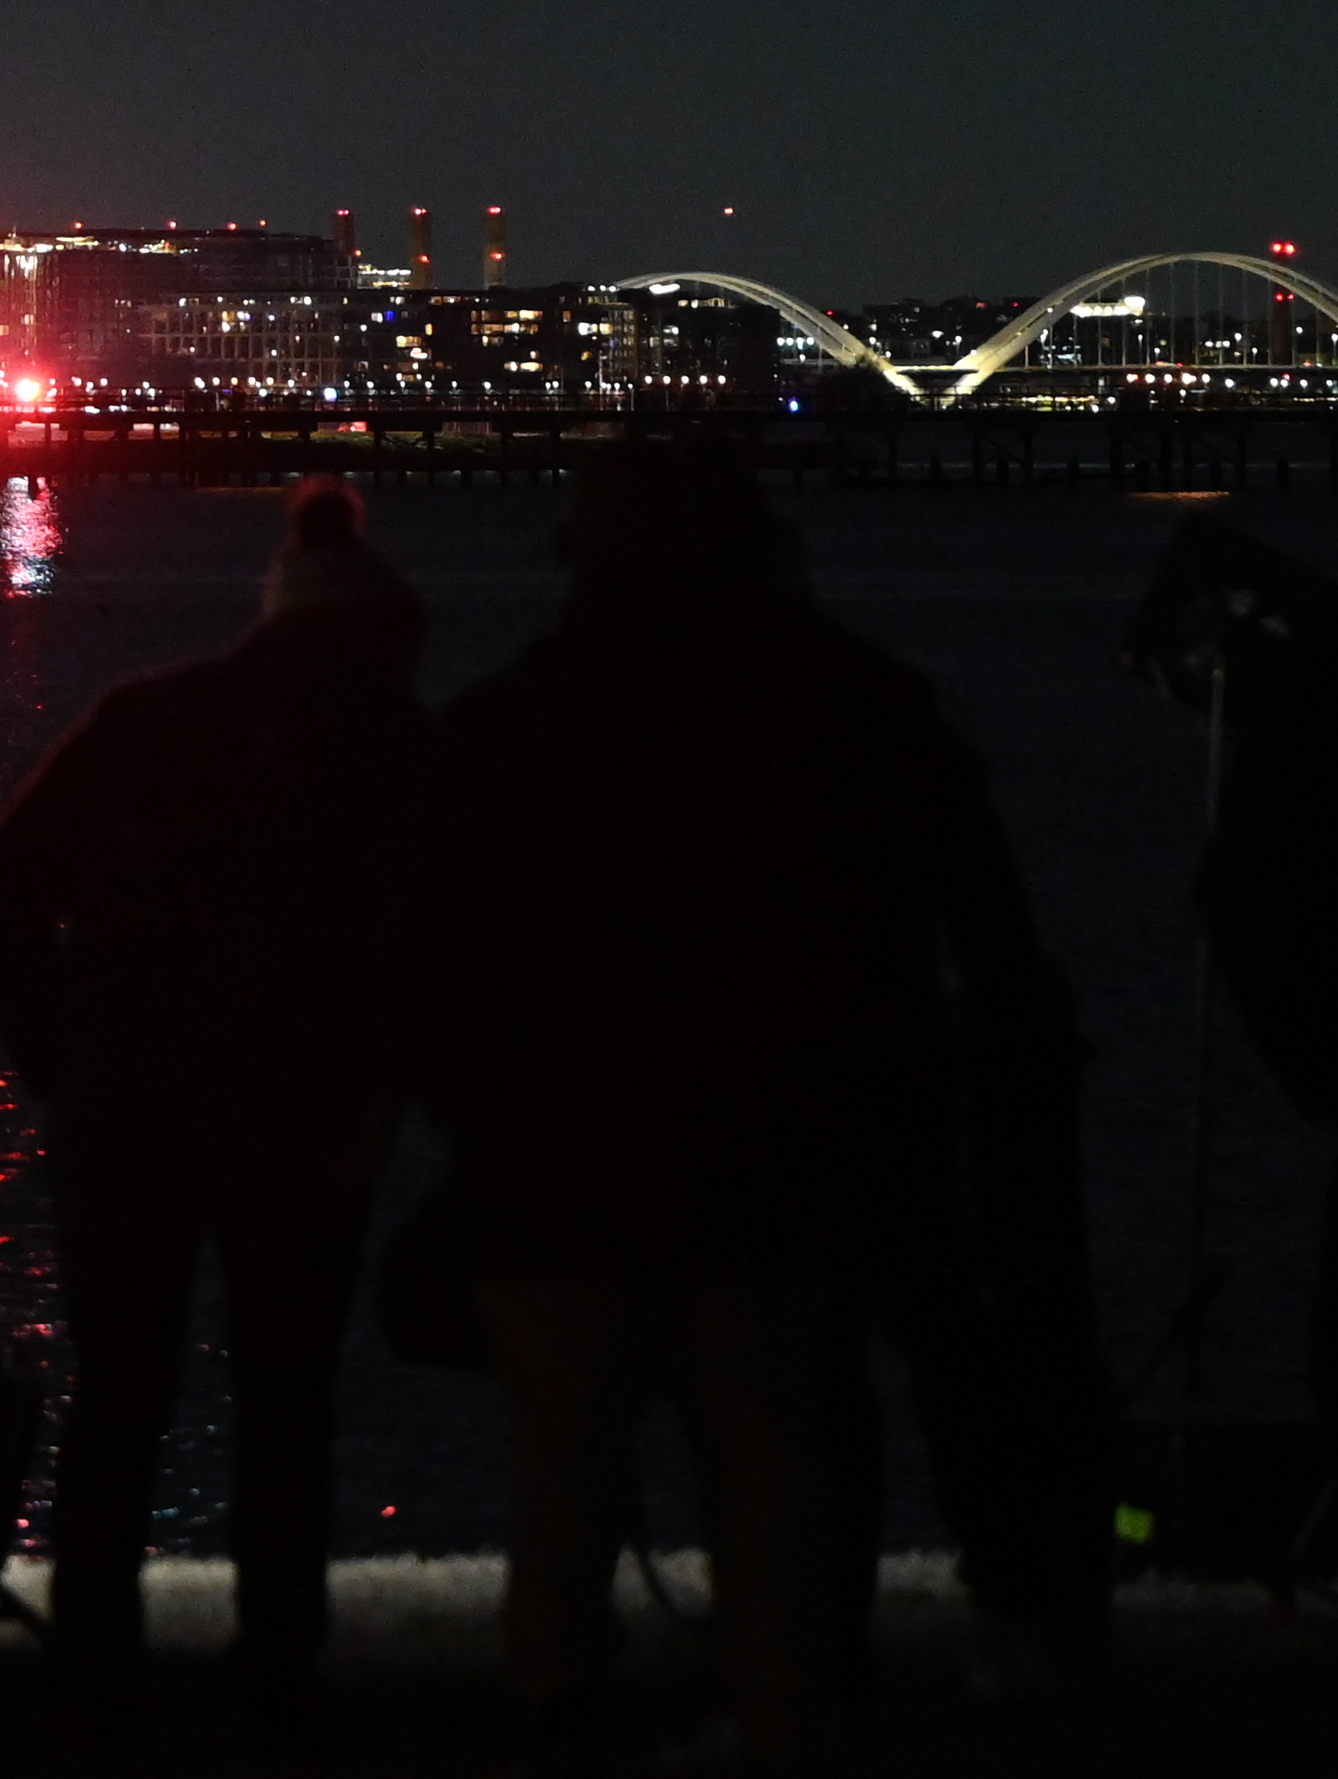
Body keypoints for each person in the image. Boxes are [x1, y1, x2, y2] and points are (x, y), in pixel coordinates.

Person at [426, 446, 1100, 1775]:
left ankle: (556, 1697)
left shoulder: (507, 725)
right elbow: (992, 928)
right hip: (790, 1151)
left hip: (562, 1158)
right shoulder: (859, 705)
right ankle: (793, 1693)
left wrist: (469, 1109)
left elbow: (424, 952)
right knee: (781, 1440)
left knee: (567, 1447)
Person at [0, 475, 427, 1739]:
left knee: (120, 1388)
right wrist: (387, 1099)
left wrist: (51, 1060)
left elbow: (6, 887)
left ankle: (93, 1658)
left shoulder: (144, 716)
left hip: (121, 1099)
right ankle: (276, 1657)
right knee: (287, 1397)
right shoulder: (393, 742)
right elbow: (430, 946)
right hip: (303, 1112)